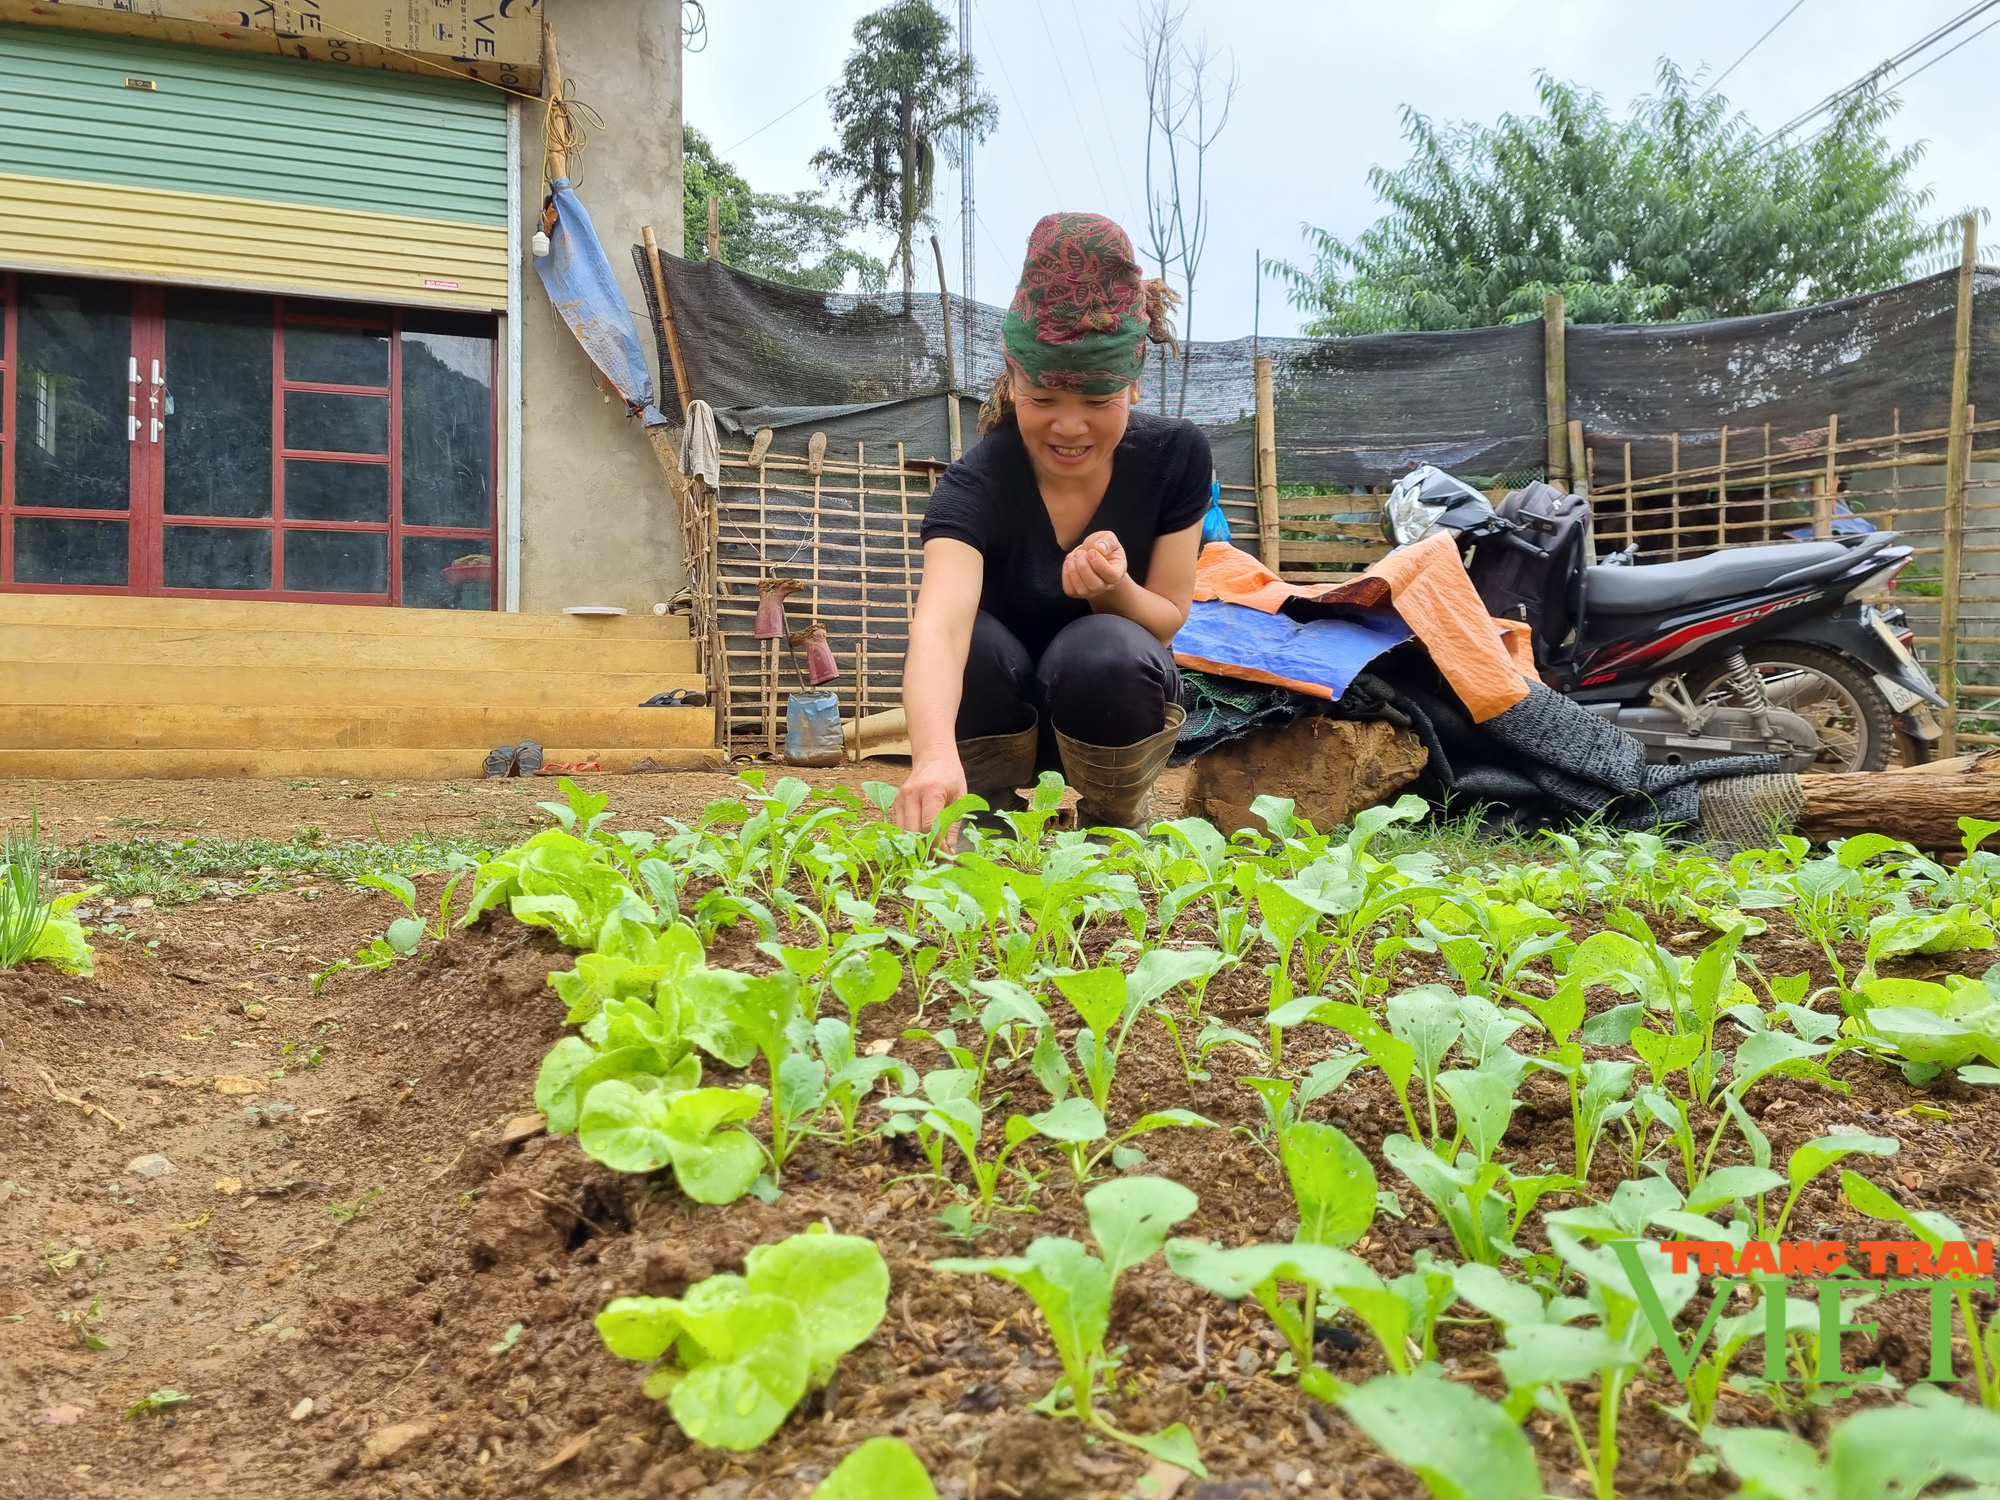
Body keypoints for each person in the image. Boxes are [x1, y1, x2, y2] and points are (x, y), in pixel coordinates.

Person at [891, 212, 1209, 833]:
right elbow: (939, 626)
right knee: (975, 645)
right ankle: (987, 813)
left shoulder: (1176, 457)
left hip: (1113, 715)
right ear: (1014, 378)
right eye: (1043, 400)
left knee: (1107, 650)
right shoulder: (976, 484)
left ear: (1134, 385)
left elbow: (1170, 617)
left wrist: (1110, 589)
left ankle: (1115, 822)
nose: (1069, 426)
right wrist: (932, 755)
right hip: (1001, 718)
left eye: (1097, 402)